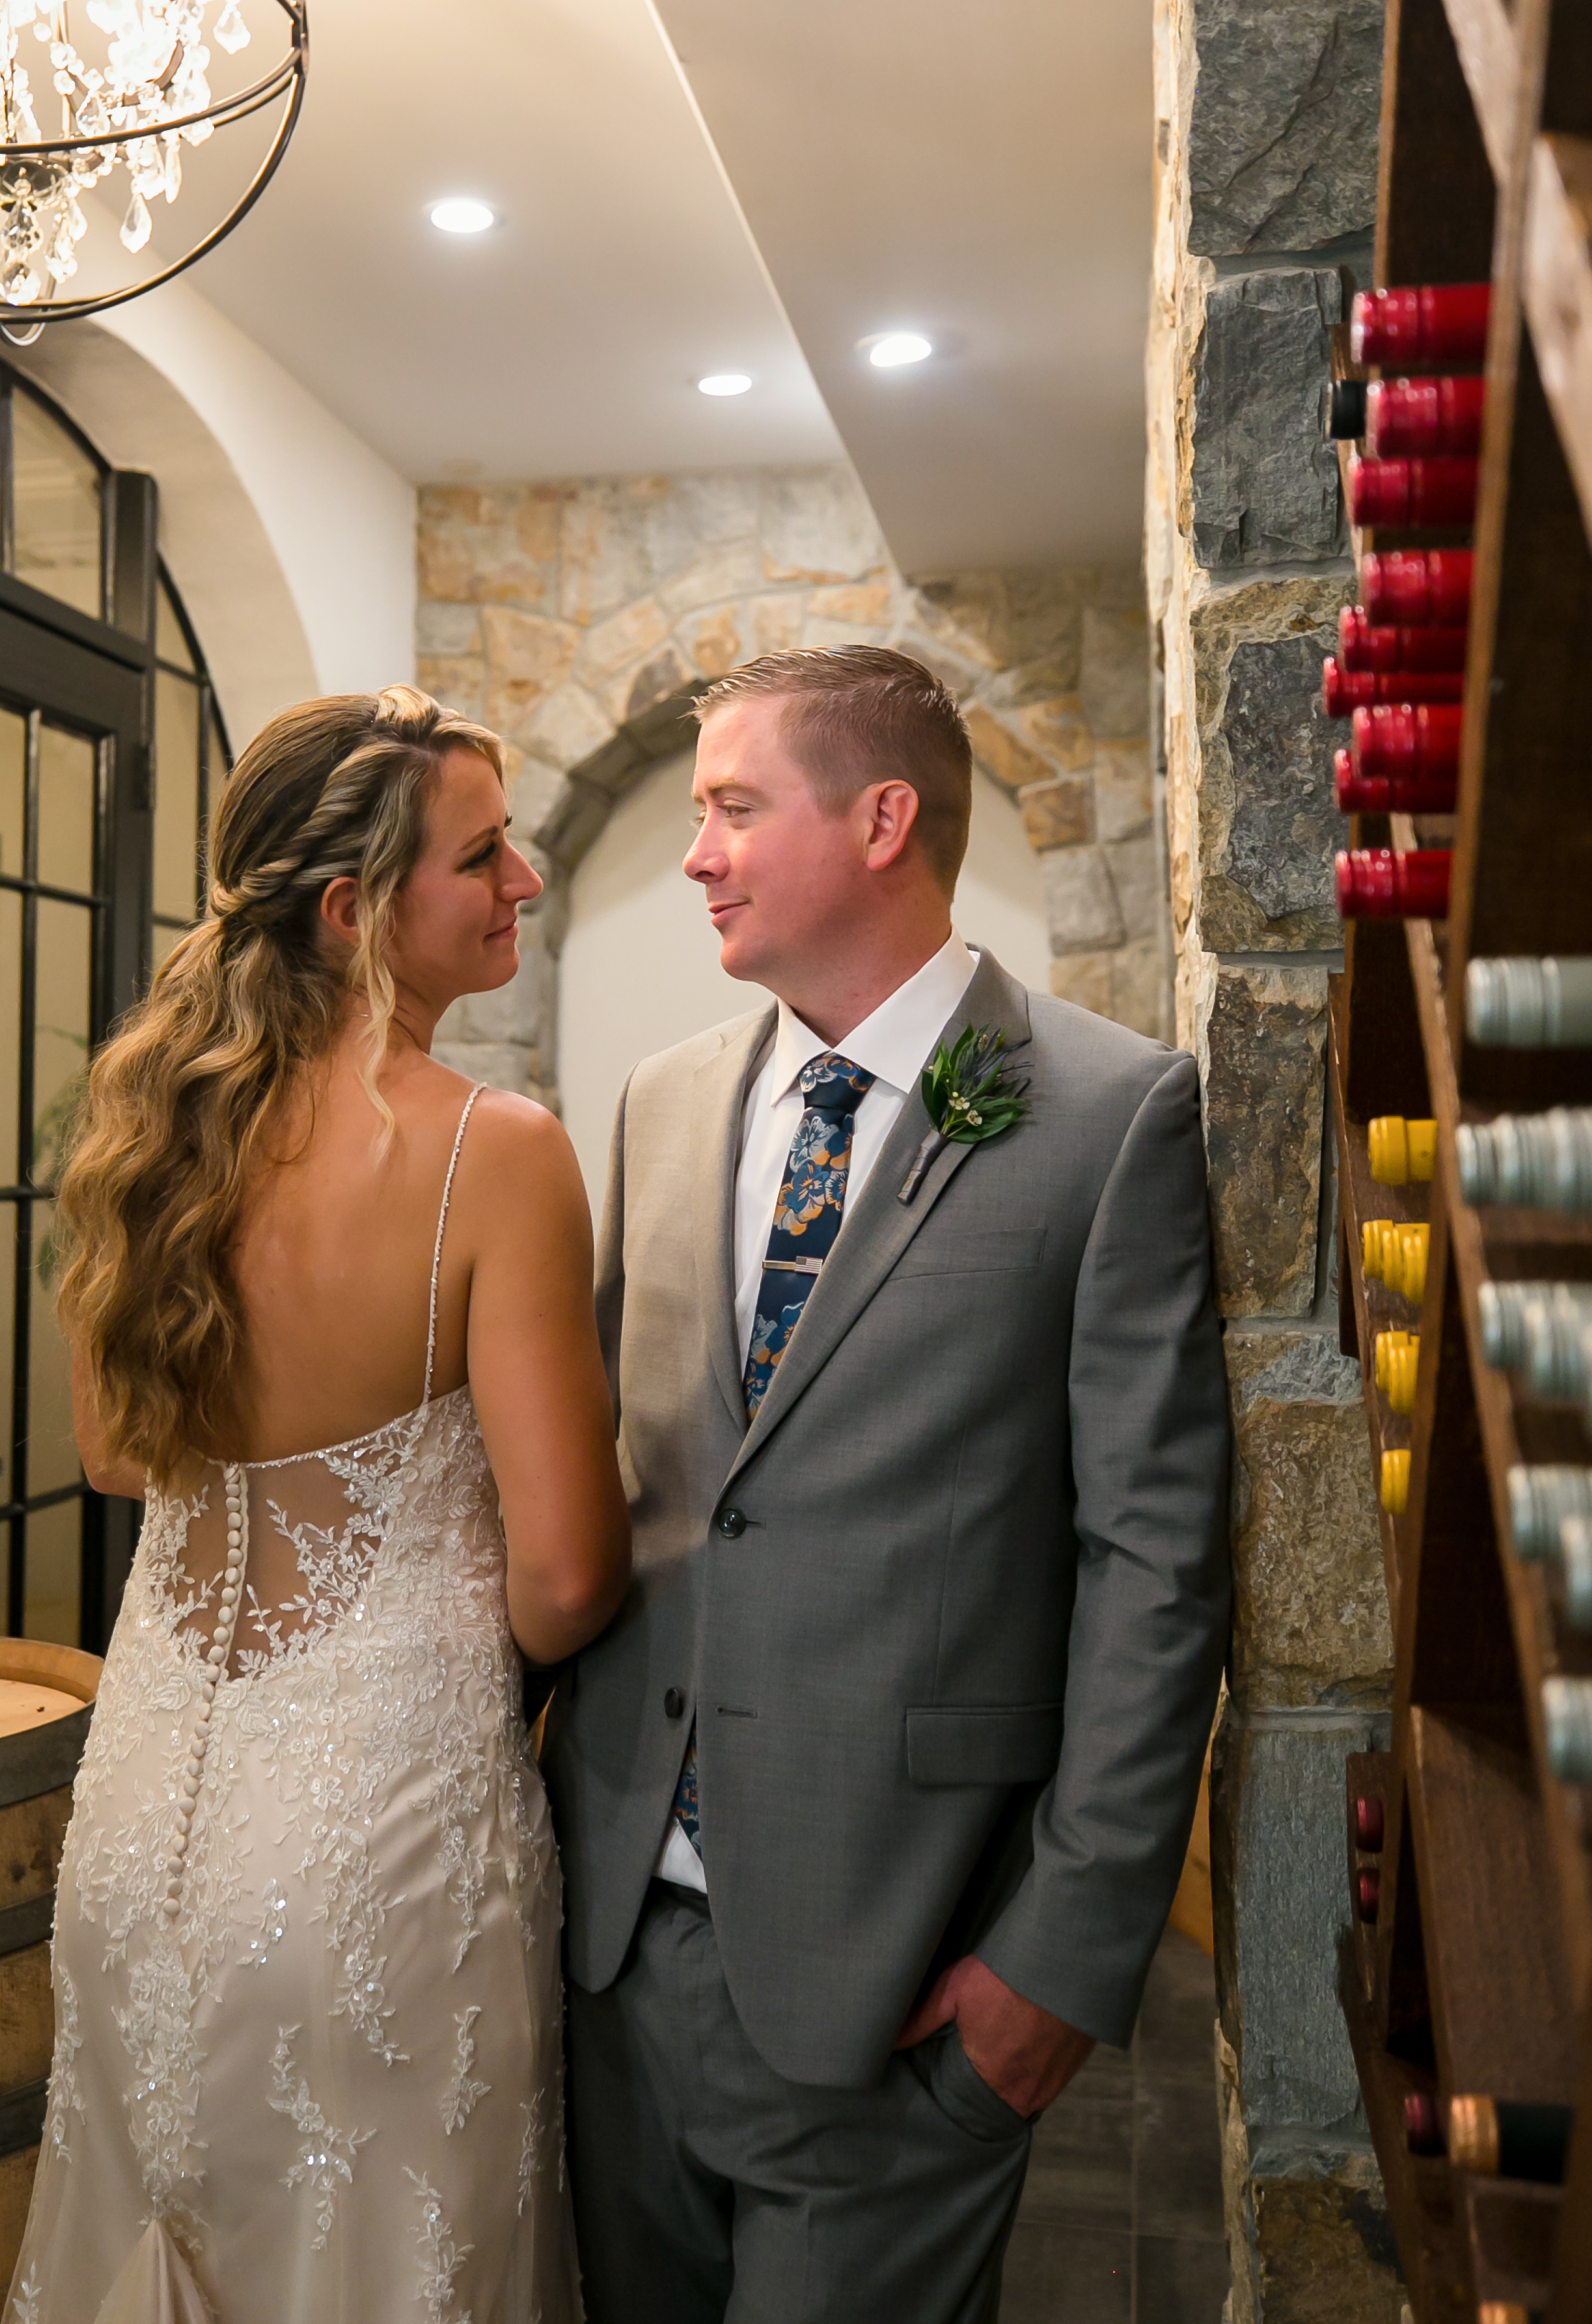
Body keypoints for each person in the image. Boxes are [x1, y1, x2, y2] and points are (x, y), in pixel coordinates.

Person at [542, 643, 1232, 2324]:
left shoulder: (1108, 1114)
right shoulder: (663, 1103)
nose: (696, 853)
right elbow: (640, 1484)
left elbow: (1153, 1561)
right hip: (618, 1950)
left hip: (907, 1969)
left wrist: (1060, 1956)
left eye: (733, 807)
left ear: (881, 820)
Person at [4, 686, 629, 2324]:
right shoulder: (497, 1152)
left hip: (144, 1830)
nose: (525, 878)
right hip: (383, 1855)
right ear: (354, 910)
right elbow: (570, 1575)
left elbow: (116, 1455)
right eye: (482, 856)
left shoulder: (149, 1128)